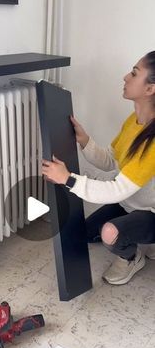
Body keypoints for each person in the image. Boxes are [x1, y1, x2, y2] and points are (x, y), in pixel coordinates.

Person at [42, 51, 155, 285]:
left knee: (110, 234)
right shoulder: (133, 122)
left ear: (150, 89)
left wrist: (68, 179)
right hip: (130, 204)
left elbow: (117, 190)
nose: (125, 77)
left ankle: (132, 257)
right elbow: (111, 160)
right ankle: (139, 236)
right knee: (84, 233)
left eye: (134, 73)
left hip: (150, 212)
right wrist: (85, 140)